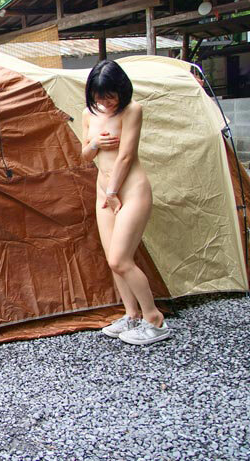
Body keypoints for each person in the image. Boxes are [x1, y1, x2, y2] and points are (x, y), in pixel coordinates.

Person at [81, 60, 170, 345]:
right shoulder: (89, 113)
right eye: (99, 96)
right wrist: (95, 144)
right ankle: (131, 314)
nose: (104, 103)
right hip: (104, 194)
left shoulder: (132, 110)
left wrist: (113, 191)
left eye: (109, 96)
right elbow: (85, 155)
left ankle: (154, 319)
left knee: (121, 258)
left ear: (121, 90)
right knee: (112, 261)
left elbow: (126, 156)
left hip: (129, 191)